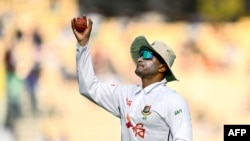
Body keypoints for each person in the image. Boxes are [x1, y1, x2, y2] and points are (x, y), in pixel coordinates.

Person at [71, 15, 193, 141]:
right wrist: (82, 45)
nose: (140, 58)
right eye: (141, 54)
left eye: (147, 55)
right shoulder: (125, 94)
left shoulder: (173, 100)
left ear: (162, 68)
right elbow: (89, 87)